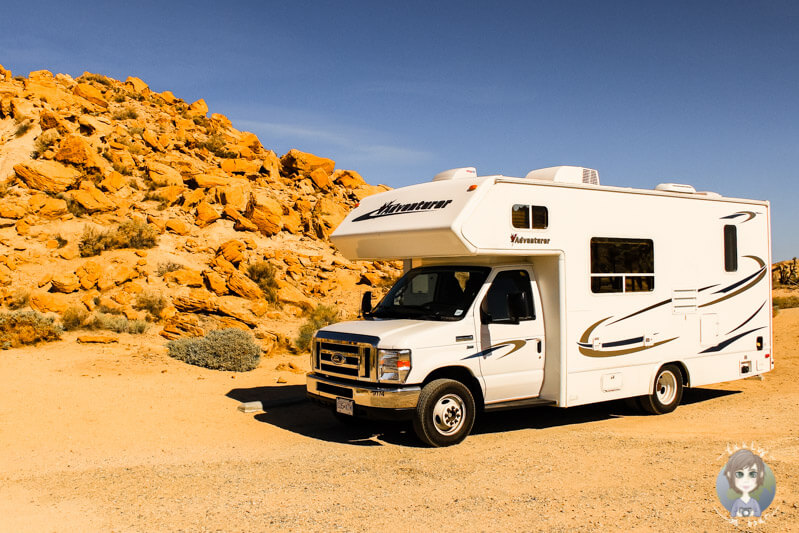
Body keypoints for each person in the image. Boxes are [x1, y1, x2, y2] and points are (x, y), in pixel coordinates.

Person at [723, 449, 765, 517]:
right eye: (739, 474)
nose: (746, 480)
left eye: (752, 474)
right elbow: (733, 513)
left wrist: (751, 513)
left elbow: (758, 513)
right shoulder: (737, 502)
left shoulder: (754, 502)